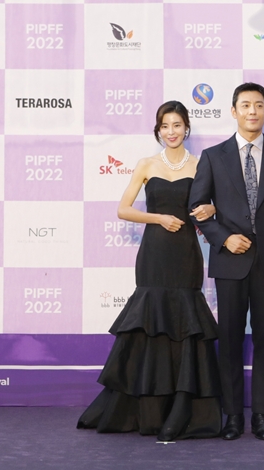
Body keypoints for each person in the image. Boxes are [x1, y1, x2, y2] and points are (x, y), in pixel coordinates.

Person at [77, 101, 223, 442]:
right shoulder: (146, 164)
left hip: (185, 253)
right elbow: (123, 209)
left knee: (184, 324)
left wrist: (211, 208)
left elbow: (216, 204)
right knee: (151, 324)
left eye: (177, 125)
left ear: (187, 128)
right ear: (158, 130)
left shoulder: (202, 165)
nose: (171, 132)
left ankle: (182, 407)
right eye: (164, 126)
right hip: (154, 253)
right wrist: (158, 218)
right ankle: (148, 410)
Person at [187, 83, 264, 441]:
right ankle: (233, 415)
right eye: (245, 105)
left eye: (258, 105)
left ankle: (260, 415)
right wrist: (224, 237)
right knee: (230, 340)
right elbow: (197, 207)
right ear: (233, 111)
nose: (252, 111)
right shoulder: (213, 156)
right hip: (230, 260)